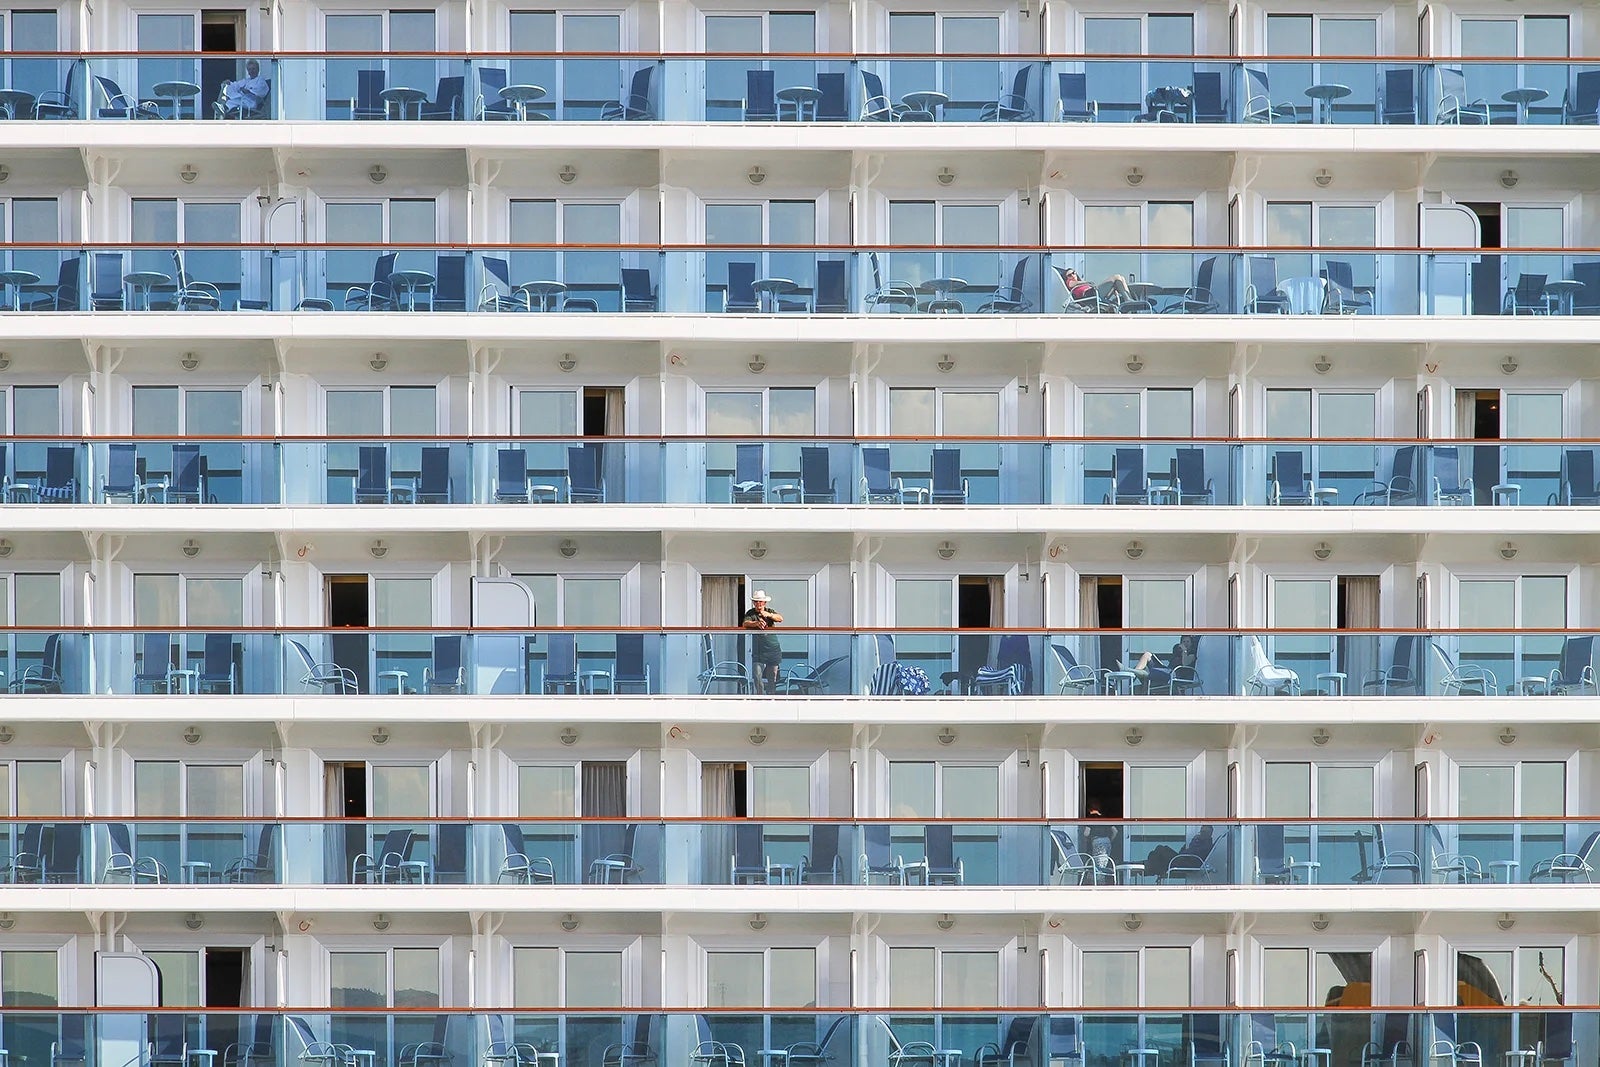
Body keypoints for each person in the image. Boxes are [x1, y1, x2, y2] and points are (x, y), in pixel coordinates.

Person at [740, 589, 784, 694]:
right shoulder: (751, 613)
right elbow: (745, 623)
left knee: (772, 678)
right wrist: (756, 623)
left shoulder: (769, 611)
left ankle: (771, 698)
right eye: (756, 601)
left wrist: (769, 615)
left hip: (773, 649)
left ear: (764, 602)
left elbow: (780, 618)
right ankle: (760, 696)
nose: (758, 603)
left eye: (760, 601)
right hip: (758, 650)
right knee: (757, 675)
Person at [1061, 266, 1136, 309]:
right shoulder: (1069, 282)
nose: (1072, 275)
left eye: (1073, 273)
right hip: (1090, 295)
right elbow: (1073, 284)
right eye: (1069, 275)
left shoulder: (1080, 283)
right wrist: (1087, 282)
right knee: (1116, 277)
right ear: (1067, 278)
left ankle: (1129, 300)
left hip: (1094, 294)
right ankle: (1128, 300)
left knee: (1120, 278)